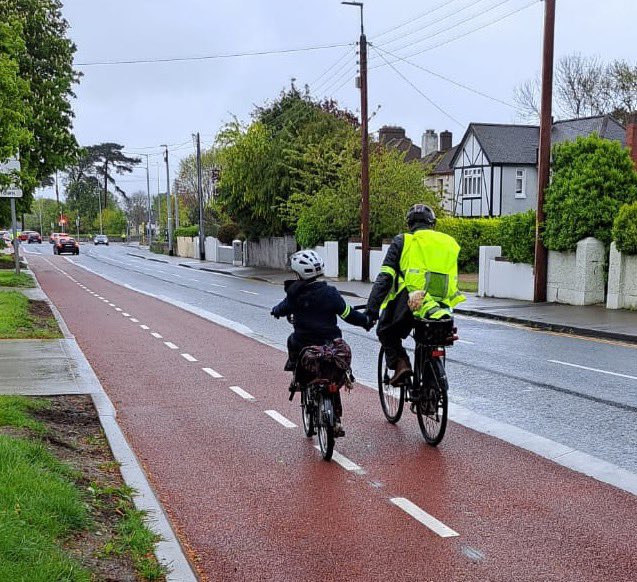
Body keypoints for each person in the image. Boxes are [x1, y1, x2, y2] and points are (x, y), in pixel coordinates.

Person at [271, 250, 372, 435]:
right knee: (332, 378)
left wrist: (276, 311)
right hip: (330, 344)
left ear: (299, 274)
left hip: (304, 344)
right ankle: (337, 420)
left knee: (291, 341)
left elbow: (282, 308)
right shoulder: (330, 293)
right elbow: (348, 314)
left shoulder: (294, 294)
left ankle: (297, 374)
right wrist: (365, 321)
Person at [366, 204, 465, 388]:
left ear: (410, 224)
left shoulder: (403, 241)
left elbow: (385, 278)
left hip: (411, 302)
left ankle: (401, 364)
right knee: (427, 340)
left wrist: (371, 310)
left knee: (385, 330)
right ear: (432, 224)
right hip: (441, 305)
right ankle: (430, 394)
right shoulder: (448, 242)